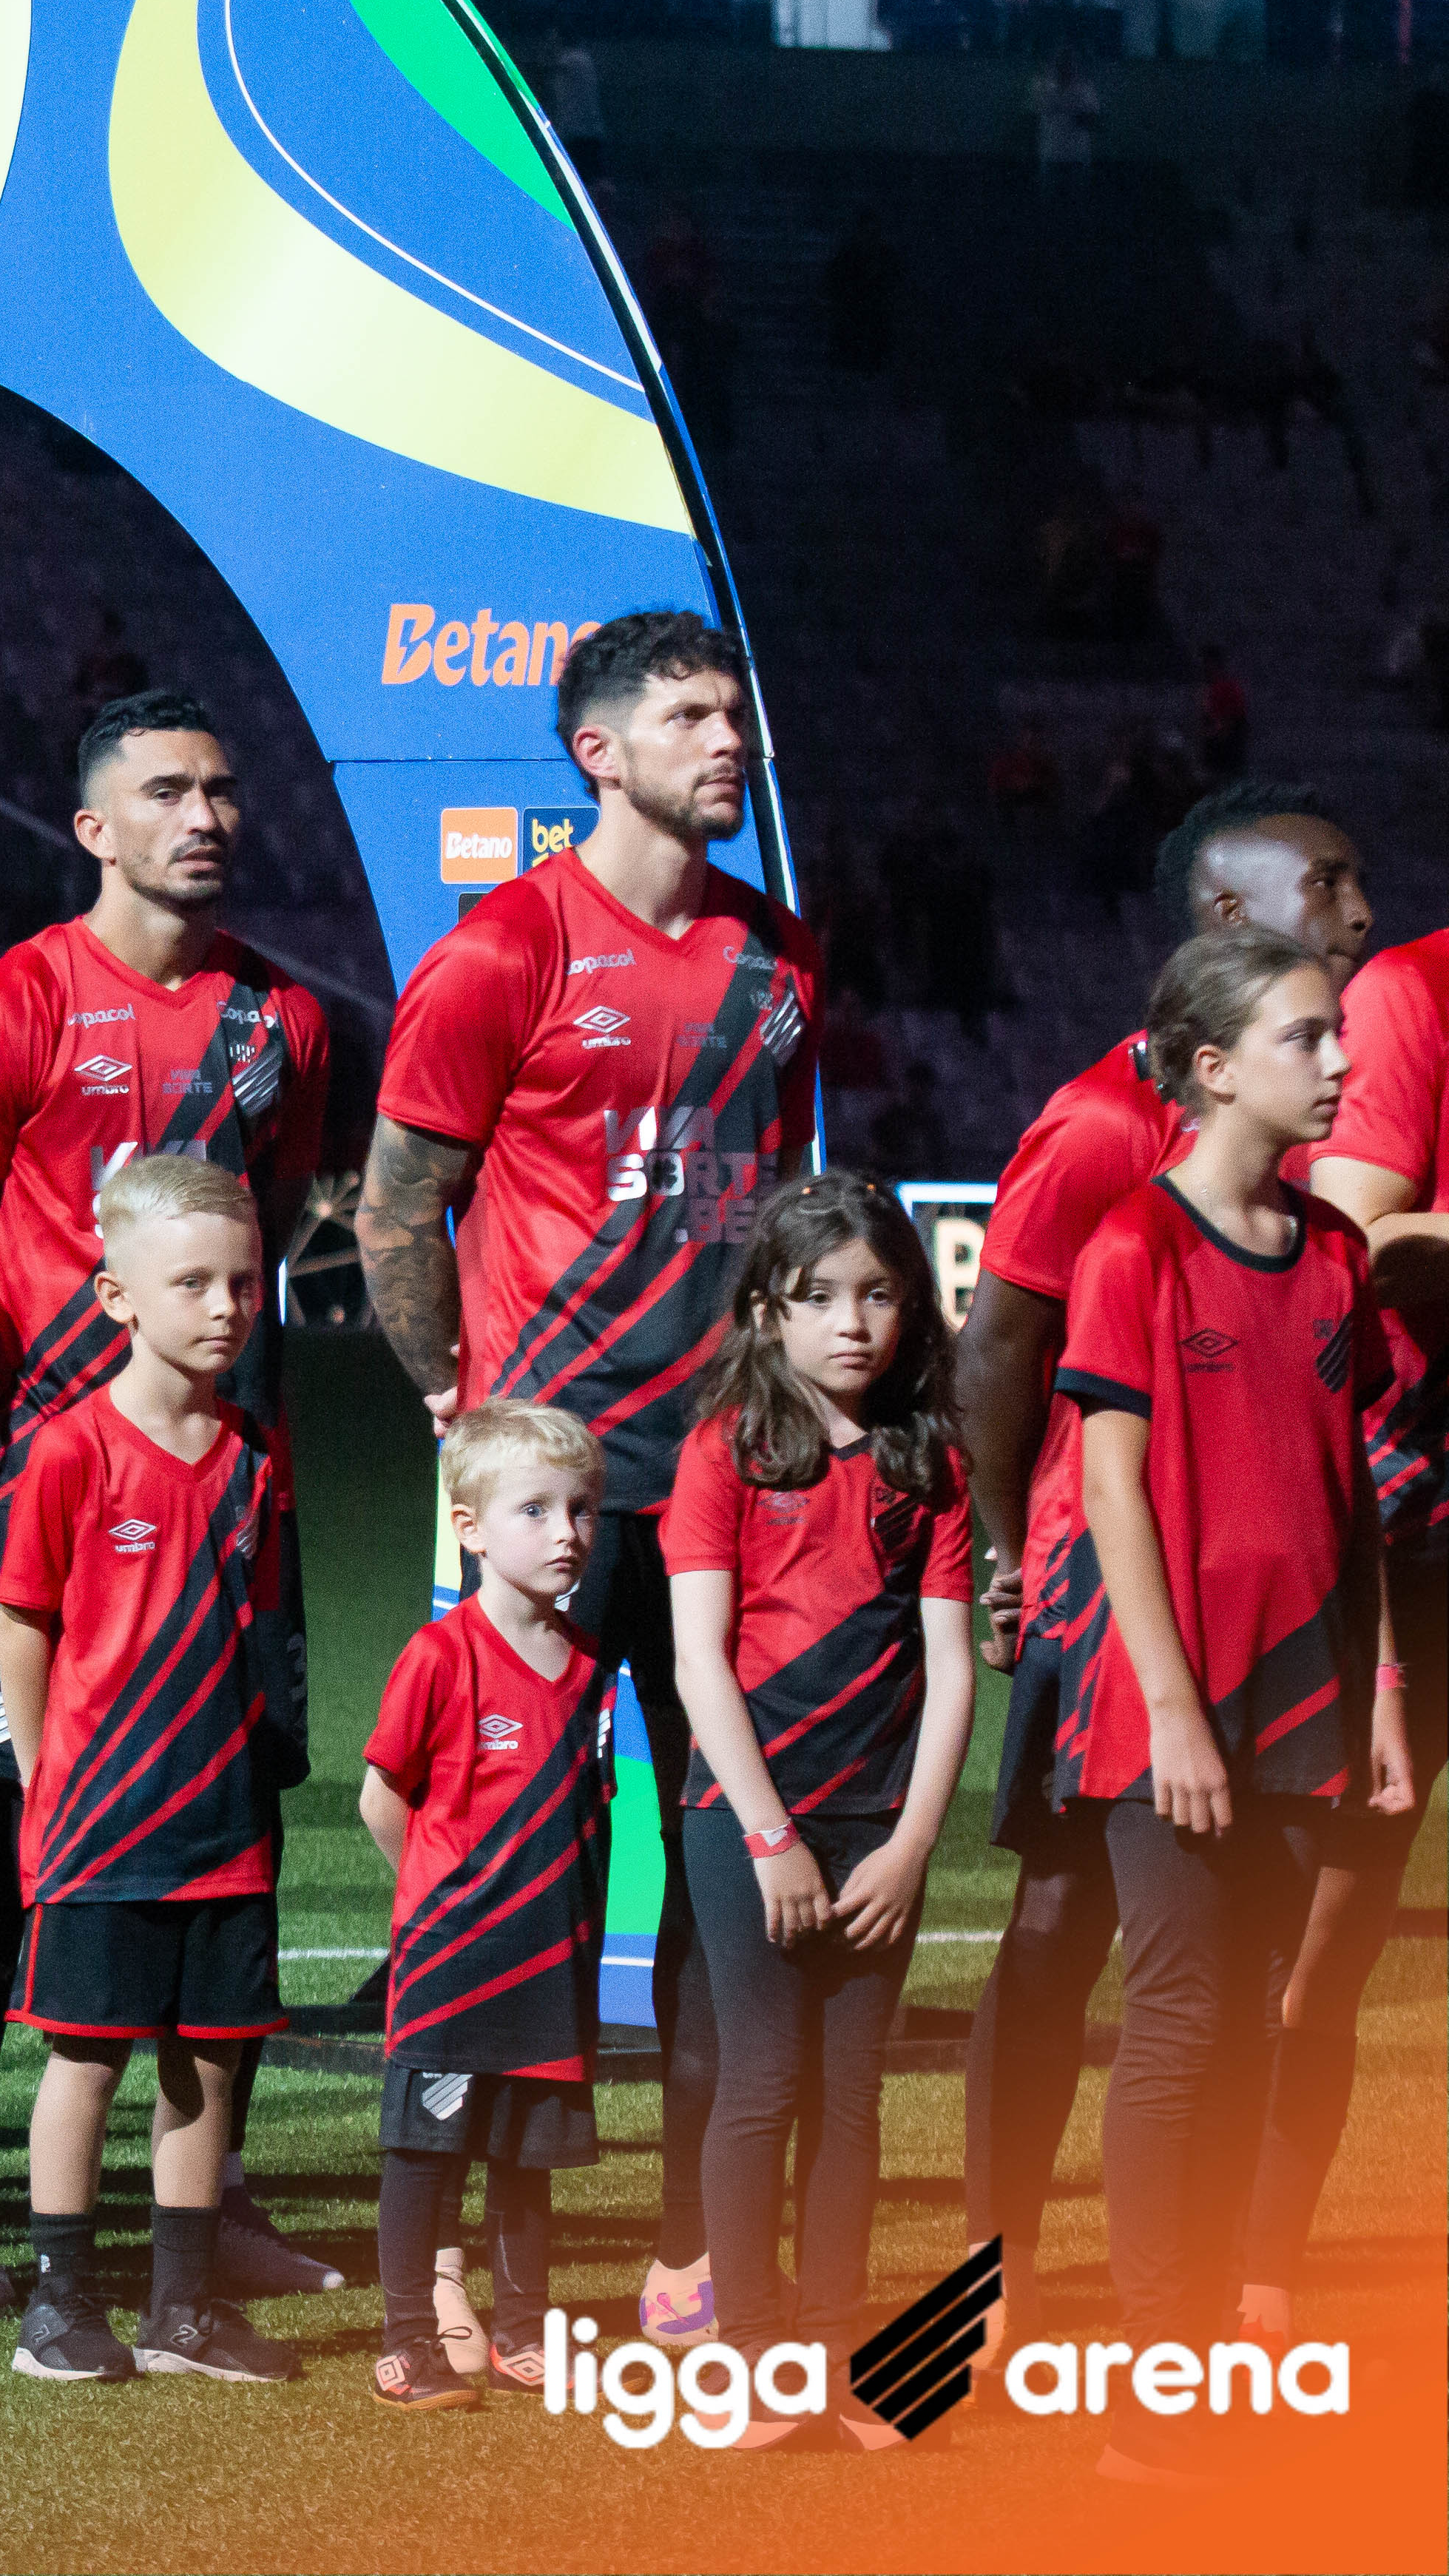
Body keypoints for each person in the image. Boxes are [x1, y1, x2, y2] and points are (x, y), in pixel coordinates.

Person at [359, 609, 820, 2343]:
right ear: (596, 752)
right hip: (557, 1493)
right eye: (689, 714)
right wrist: (449, 1402)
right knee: (515, 1885)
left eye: (733, 709)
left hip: (727, 1488)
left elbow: (781, 1211)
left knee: (723, 1884)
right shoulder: (502, 952)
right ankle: (479, 2263)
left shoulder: (779, 960)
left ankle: (692, 2253)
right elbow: (397, 1207)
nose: (727, 738)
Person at [0, 688, 333, 2308]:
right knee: (11, 1837)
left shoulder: (284, 1020)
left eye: (218, 788)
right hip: (58, 1499)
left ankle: (210, 2205)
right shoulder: (8, 1008)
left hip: (231, 1502)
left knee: (236, 1835)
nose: (202, 815)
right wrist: (54, 1425)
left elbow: (265, 1220)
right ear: (93, 828)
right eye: (163, 791)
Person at [954, 780, 1371, 2345]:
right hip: (1104, 1598)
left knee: (1215, 1967)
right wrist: (1006, 1553)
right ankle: (990, 2272)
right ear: (1226, 921)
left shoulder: (1294, 1177)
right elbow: (1000, 1348)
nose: (1356, 911)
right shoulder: (1098, 1135)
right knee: (1059, 1931)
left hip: (1253, 1608)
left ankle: (1201, 2292)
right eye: (1322, 886)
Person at [1027, 932, 1390, 2482]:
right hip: (1166, 1700)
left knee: (1252, 2016)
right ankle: (1149, 2392)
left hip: (1306, 1692)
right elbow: (1110, 1488)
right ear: (1212, 1066)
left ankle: (1192, 2364)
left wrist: (1380, 1688)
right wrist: (1171, 1706)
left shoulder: (1337, 1251)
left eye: (1338, 1033)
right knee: (1179, 2021)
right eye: (1307, 1036)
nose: (1341, 1060)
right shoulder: (1133, 1246)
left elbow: (1349, 1496)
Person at [662, 1178, 975, 2438]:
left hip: (877, 1829)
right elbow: (698, 1662)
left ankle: (842, 2349)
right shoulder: (722, 1450)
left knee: (852, 2092)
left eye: (878, 1294)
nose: (853, 1322)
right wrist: (770, 1837)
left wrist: (911, 1843)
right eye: (821, 1297)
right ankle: (749, 2350)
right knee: (761, 2080)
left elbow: (950, 1666)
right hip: (748, 1824)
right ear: (765, 1312)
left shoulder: (928, 1460)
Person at [0, 1155, 299, 2388]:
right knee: (87, 2057)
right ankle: (60, 2306)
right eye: (193, 1283)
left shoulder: (254, 1454)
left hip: (223, 1822)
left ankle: (183, 2312)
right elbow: (24, 1627)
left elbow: (254, 1628)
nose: (226, 1305)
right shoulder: (69, 1450)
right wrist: (42, 1784)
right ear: (116, 1296)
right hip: (101, 1823)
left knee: (208, 2059)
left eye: (243, 1281)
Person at [1265, 920, 1449, 2326]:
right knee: (1329, 1917)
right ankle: (1254, 2257)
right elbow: (1358, 1241)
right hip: (1413, 1522)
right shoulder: (1412, 991)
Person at [359, 1401, 613, 2414]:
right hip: (453, 1970)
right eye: (535, 1510)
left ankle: (522, 2333)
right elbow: (383, 1800)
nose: (567, 1533)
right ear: (467, 1528)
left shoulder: (591, 1665)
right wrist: (443, 1906)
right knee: (426, 2159)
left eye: (582, 1509)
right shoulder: (440, 1656)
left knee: (526, 2160)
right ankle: (405, 2344)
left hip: (551, 1968)